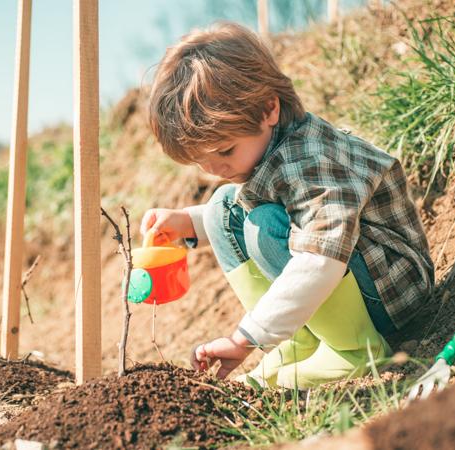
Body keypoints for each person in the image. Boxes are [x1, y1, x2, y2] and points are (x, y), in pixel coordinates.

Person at [139, 22, 435, 388]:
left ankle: (355, 348)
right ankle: (302, 338)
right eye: (201, 162)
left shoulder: (310, 162)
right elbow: (249, 206)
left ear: (269, 109)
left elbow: (321, 257)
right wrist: (188, 222)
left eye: (225, 152)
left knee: (264, 226)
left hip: (392, 289)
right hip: (358, 275)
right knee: (222, 207)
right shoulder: (273, 150)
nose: (215, 169)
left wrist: (244, 338)